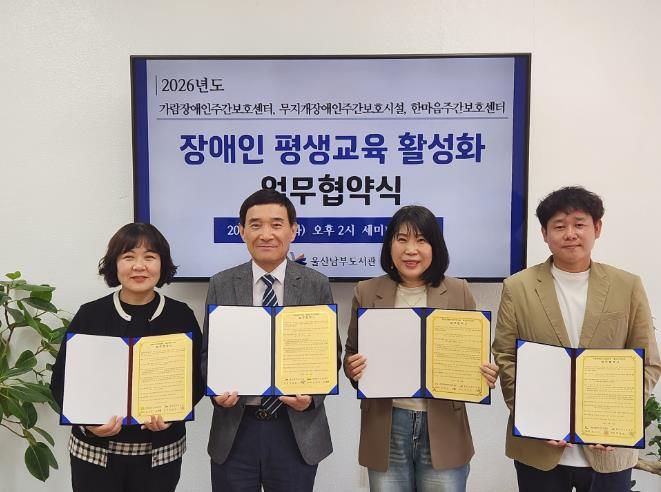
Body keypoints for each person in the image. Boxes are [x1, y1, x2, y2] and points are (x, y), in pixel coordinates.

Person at [492, 186, 661, 492]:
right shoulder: (518, 287)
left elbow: (648, 363)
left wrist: (619, 418)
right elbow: (506, 357)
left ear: (597, 228)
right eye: (559, 226)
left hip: (610, 450)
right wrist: (534, 419)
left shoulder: (627, 286)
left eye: (579, 224)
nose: (570, 234)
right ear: (544, 234)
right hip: (538, 449)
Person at [343, 205, 498, 492]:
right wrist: (352, 368)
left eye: (421, 240)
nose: (410, 250)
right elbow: (351, 354)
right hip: (386, 425)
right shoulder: (366, 291)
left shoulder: (458, 291)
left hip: (444, 426)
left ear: (435, 247)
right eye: (401, 239)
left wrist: (485, 373)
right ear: (389, 245)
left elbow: (473, 355)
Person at [50, 223, 204, 492]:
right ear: (114, 264)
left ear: (162, 264)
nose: (139, 266)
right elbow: (61, 381)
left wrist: (174, 413)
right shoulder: (90, 315)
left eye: (150, 257)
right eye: (128, 256)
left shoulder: (181, 316)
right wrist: (87, 423)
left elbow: (197, 378)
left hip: (161, 454)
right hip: (94, 454)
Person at [202, 189, 337, 492]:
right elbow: (208, 352)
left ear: (293, 230)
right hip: (236, 428)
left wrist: (311, 398)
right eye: (255, 225)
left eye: (276, 224)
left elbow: (329, 353)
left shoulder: (315, 284)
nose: (266, 234)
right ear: (242, 231)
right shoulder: (221, 283)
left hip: (295, 429)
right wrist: (215, 392)